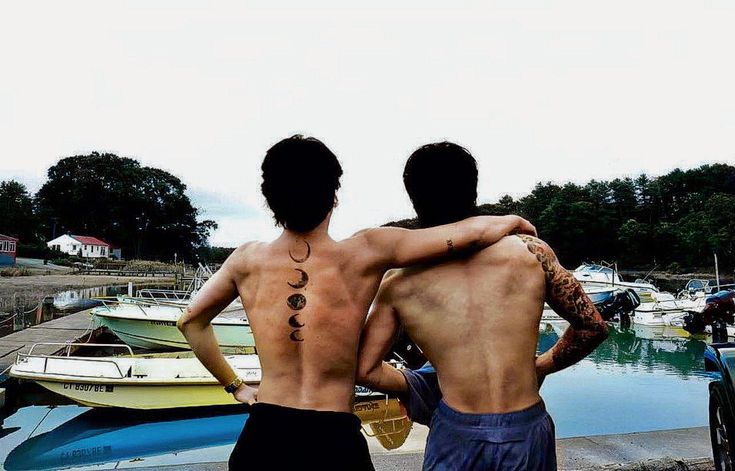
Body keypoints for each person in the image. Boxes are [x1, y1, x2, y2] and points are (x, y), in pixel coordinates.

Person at [177, 135, 536, 471]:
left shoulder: (246, 260)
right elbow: (466, 234)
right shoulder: (366, 251)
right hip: (332, 434)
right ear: (334, 195)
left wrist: (236, 386)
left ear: (269, 198)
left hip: (265, 430)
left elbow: (190, 322)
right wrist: (513, 220)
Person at [356, 142, 609, 471]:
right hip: (526, 427)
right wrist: (541, 366)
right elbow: (593, 327)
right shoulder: (532, 253)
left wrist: (418, 383)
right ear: (473, 188)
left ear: (413, 196)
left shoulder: (398, 284)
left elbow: (366, 370)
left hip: (456, 432)